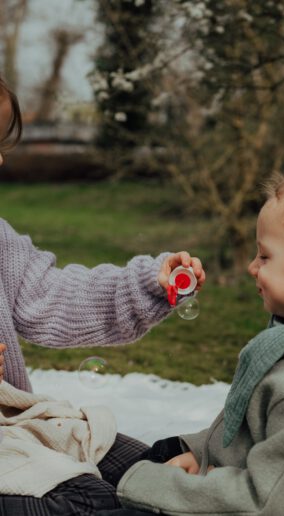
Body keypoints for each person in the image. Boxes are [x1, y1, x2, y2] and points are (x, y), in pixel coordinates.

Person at [100, 167, 284, 516]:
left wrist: (153, 484)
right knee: (154, 454)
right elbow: (254, 436)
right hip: (227, 490)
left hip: (242, 505)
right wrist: (195, 451)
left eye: (265, 256)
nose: (251, 267)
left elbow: (263, 504)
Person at [0, 75, 205, 514]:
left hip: (13, 427)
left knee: (156, 469)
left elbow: (56, 296)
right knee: (93, 502)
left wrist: (149, 281)